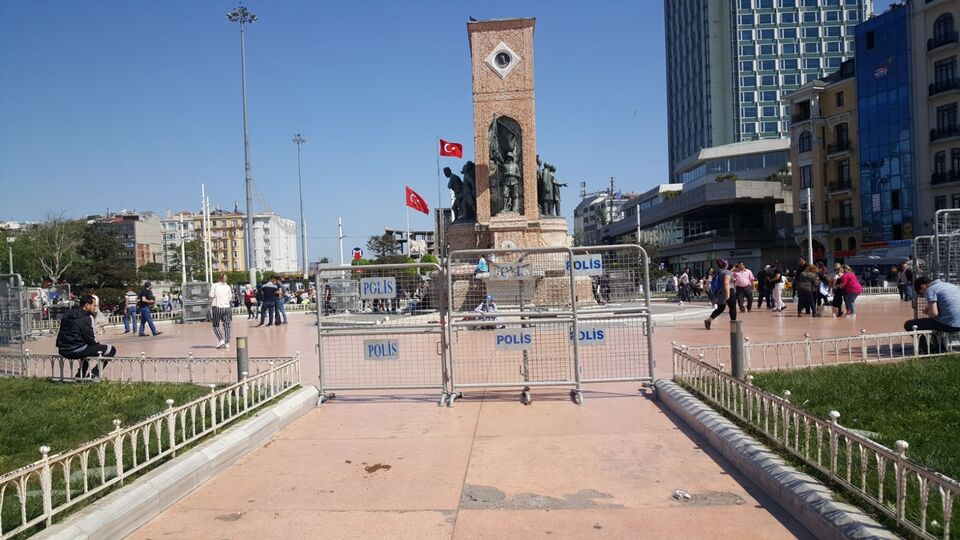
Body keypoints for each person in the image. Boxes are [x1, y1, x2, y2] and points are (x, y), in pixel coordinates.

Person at [57, 295, 118, 379]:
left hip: (63, 350)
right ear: (87, 305)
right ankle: (94, 373)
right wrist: (97, 345)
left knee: (87, 348)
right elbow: (91, 338)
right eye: (94, 305)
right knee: (110, 349)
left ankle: (80, 374)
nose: (95, 308)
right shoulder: (88, 317)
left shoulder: (67, 314)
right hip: (76, 349)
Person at [704, 259, 736, 330]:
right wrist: (728, 294)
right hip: (729, 291)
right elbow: (726, 283)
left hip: (720, 292)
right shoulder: (727, 272)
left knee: (720, 308)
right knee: (732, 308)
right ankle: (734, 325)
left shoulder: (718, 272)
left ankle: (709, 320)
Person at [209, 273, 233, 349]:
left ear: (218, 278)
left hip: (217, 307)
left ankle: (221, 339)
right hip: (227, 308)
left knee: (215, 325)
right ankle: (227, 343)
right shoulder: (228, 287)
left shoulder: (214, 285)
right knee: (227, 326)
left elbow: (211, 295)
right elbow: (230, 297)